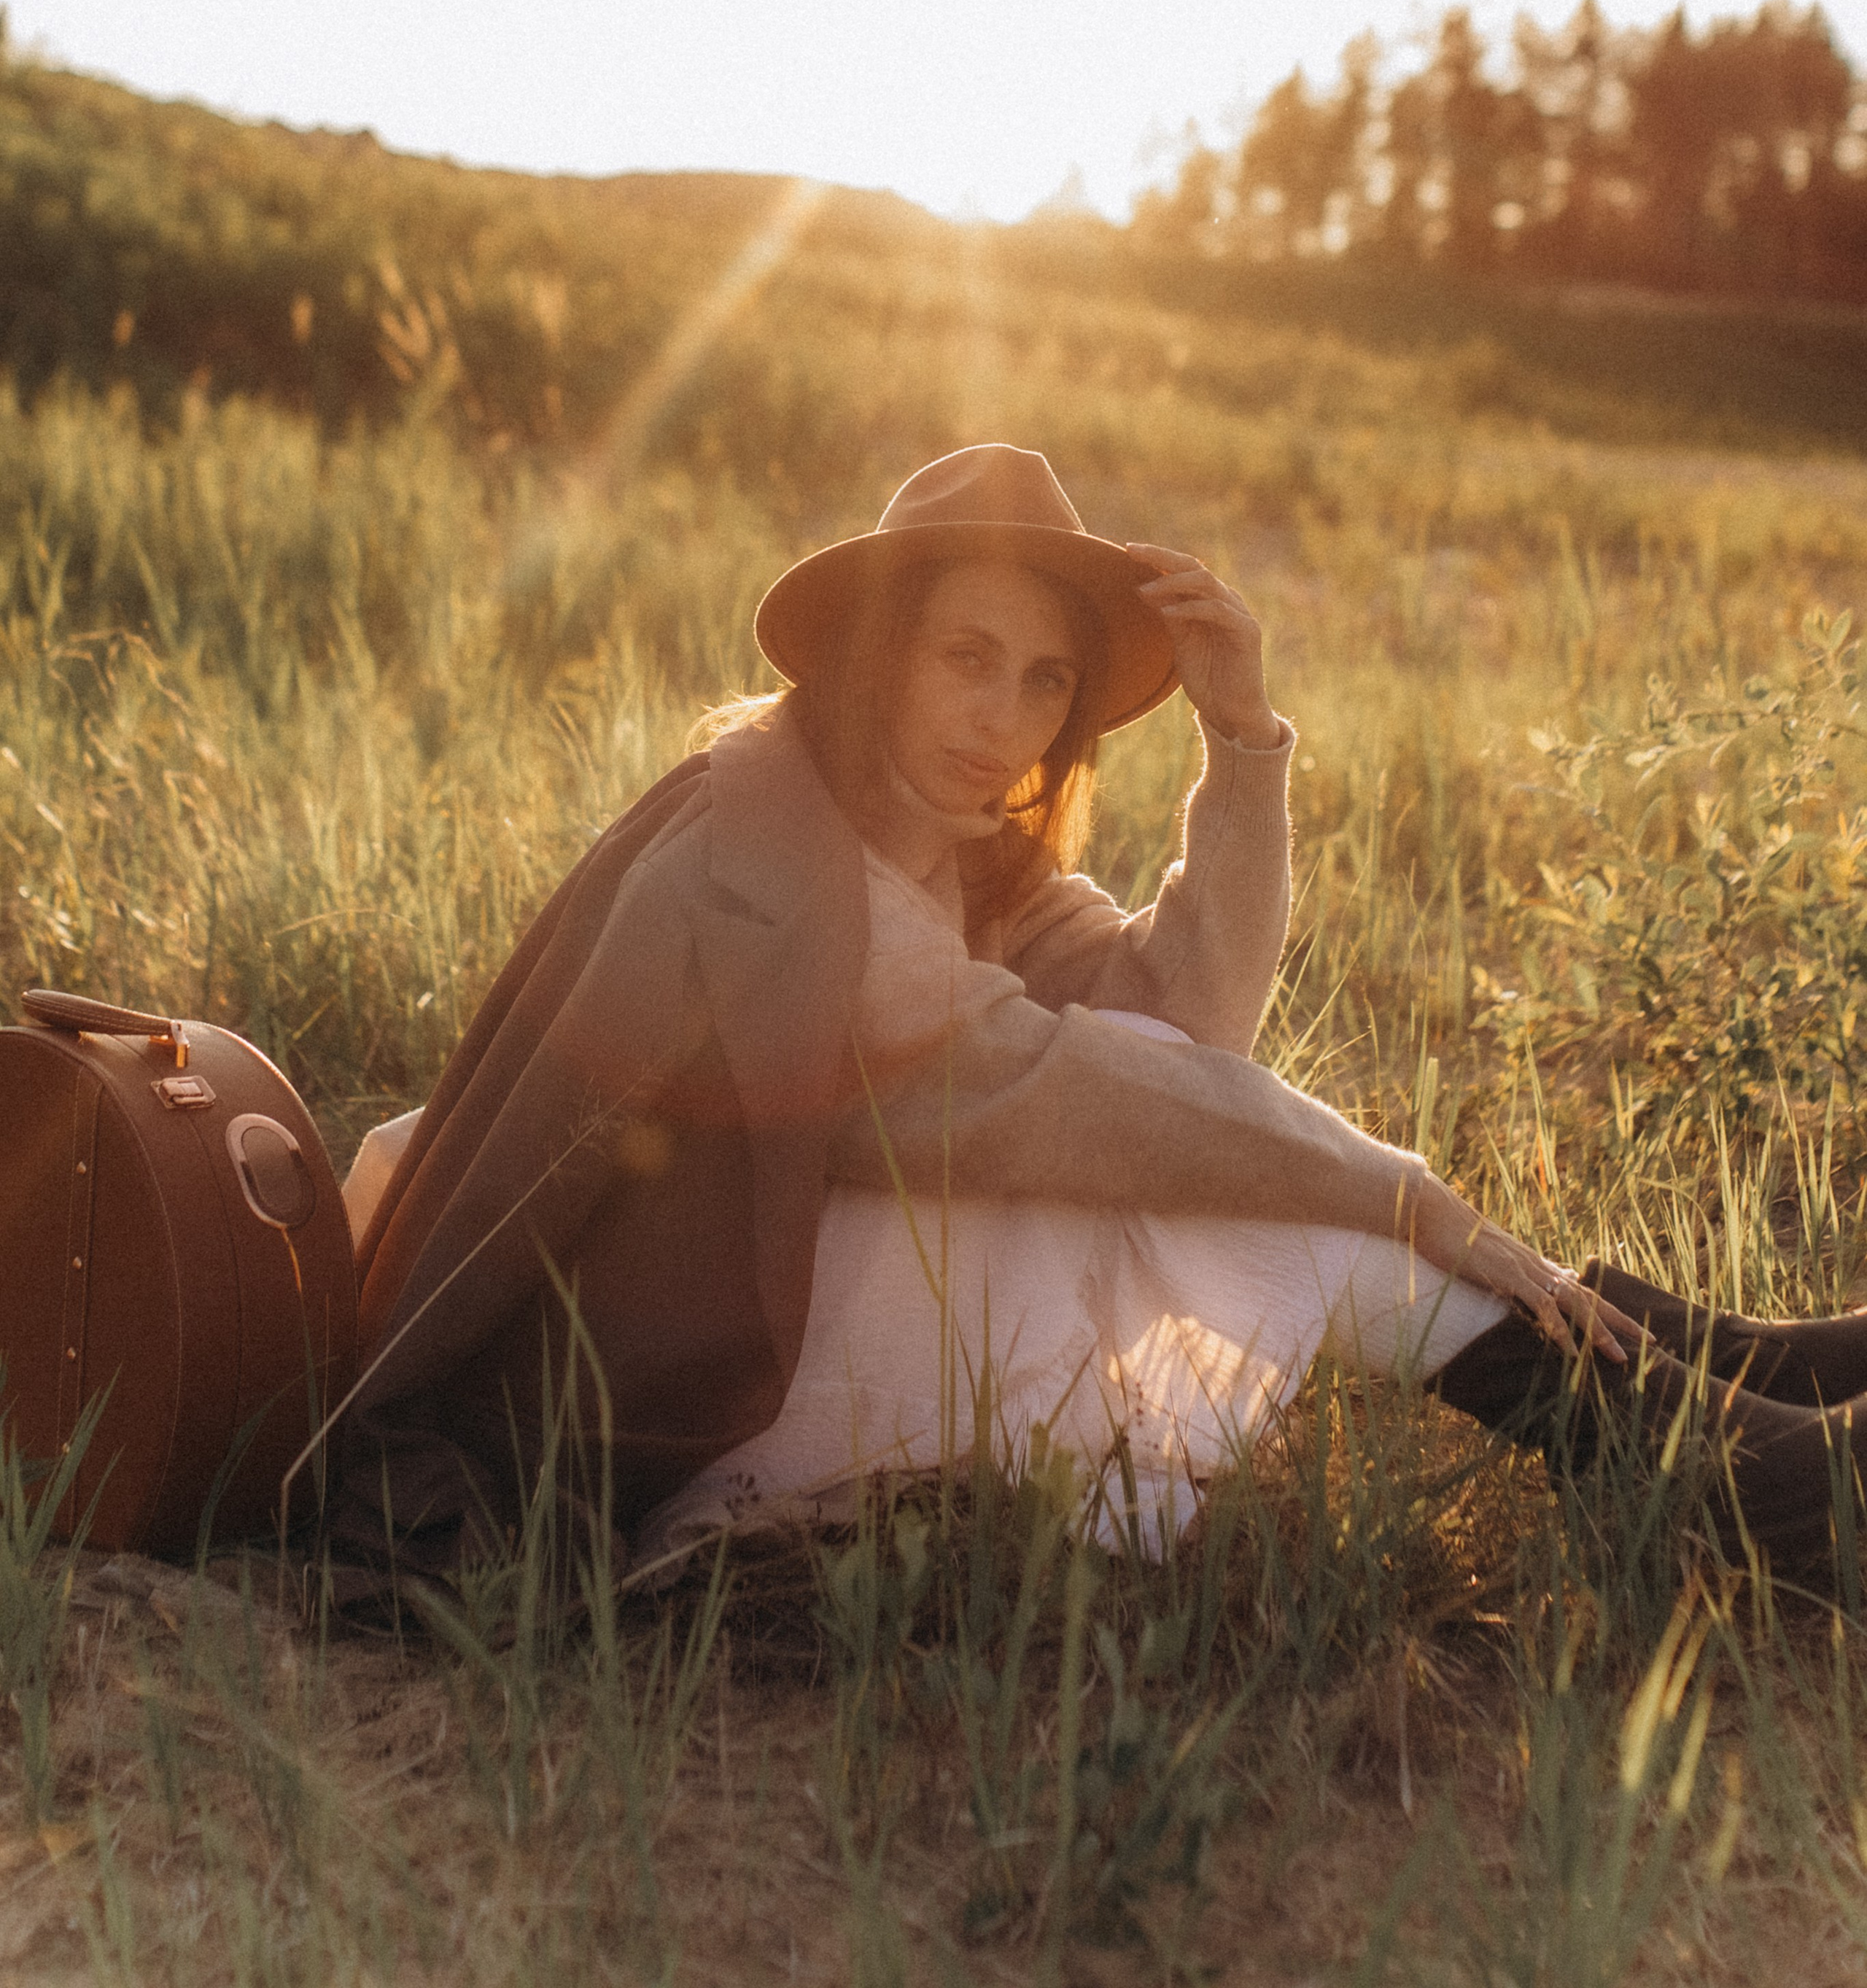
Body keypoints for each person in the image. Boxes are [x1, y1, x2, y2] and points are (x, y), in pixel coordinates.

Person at [330, 445, 1867, 1598]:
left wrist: (1241, 735)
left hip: (765, 1342)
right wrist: (1404, 1195)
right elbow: (1039, 1085)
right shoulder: (775, 863)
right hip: (647, 1413)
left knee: (1182, 1104)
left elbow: (1189, 1016)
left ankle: (1707, 1386)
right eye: (964, 656)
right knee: (1231, 1172)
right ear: (879, 650)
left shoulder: (941, 853)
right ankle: (1729, 1483)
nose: (999, 716)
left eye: (1040, 681)